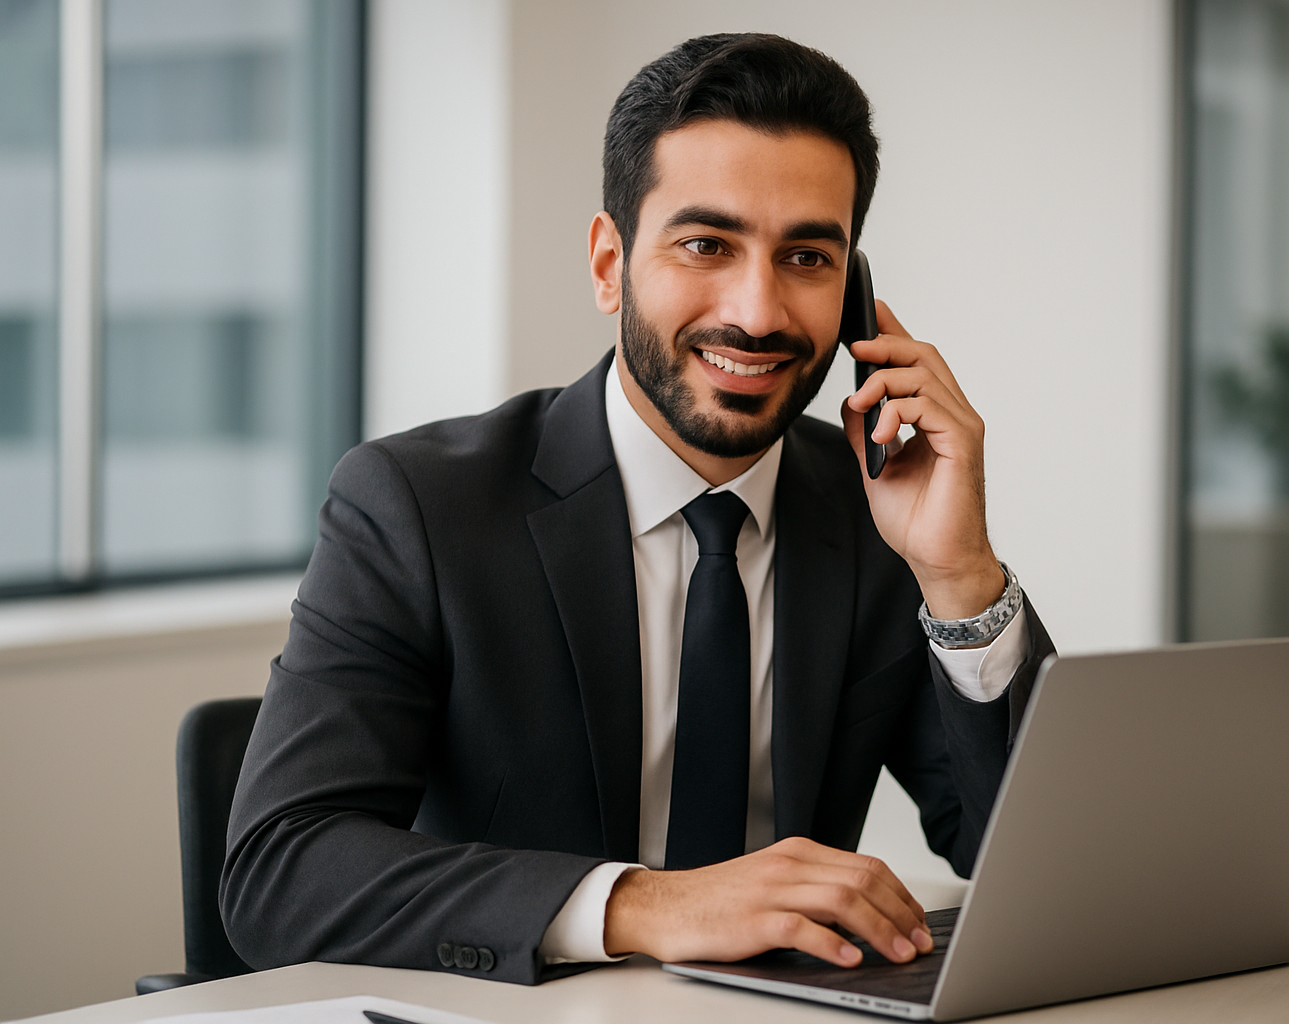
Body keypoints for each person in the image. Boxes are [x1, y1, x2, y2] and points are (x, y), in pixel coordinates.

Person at [222, 32, 1054, 987]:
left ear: (855, 297)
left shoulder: (873, 513)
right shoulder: (416, 506)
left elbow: (1052, 869)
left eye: (808, 257)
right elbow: (280, 871)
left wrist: (959, 578)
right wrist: (645, 903)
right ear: (610, 263)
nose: (759, 310)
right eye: (706, 244)